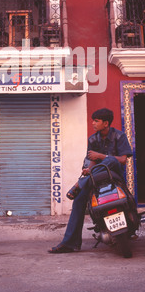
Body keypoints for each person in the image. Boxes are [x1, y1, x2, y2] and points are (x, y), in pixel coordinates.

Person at [48, 108, 133, 253]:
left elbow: (123, 160)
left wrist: (101, 156)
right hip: (95, 177)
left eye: (96, 121)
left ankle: (78, 184)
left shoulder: (120, 136)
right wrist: (88, 170)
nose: (93, 123)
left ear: (106, 123)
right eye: (93, 120)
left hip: (114, 175)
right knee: (79, 201)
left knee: (111, 161)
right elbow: (92, 161)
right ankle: (69, 243)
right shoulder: (93, 139)